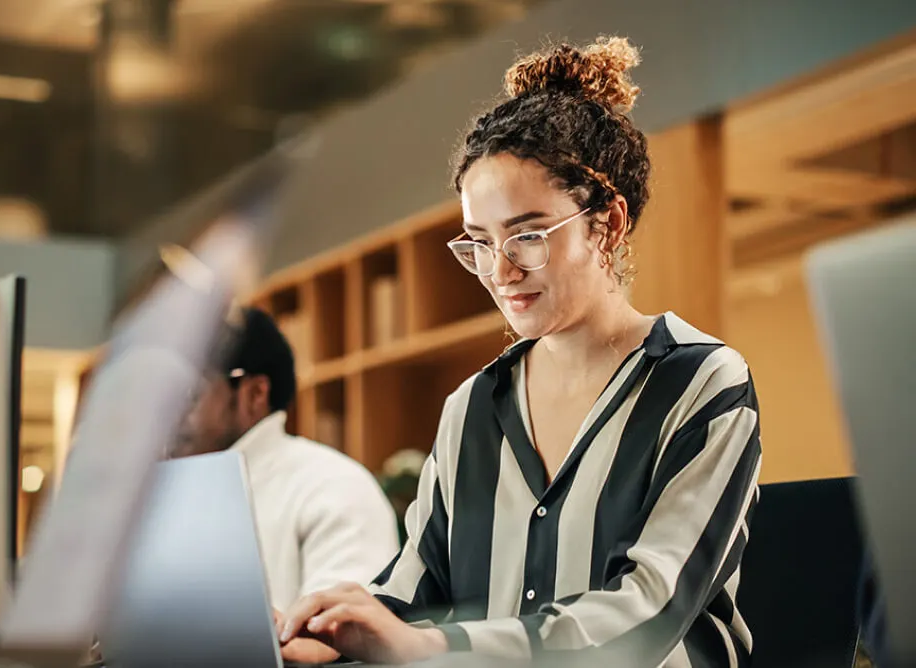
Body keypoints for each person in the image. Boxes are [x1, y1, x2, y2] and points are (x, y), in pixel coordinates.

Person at [274, 37, 763, 667]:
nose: (500, 271)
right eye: (480, 241)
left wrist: (432, 645)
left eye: (527, 235)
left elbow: (649, 611)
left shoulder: (702, 383)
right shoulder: (473, 406)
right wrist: (327, 632)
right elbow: (412, 592)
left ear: (607, 225)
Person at [173, 307, 400, 615]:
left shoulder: (334, 486)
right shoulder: (160, 498)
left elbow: (341, 643)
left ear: (254, 393)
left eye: (187, 392)